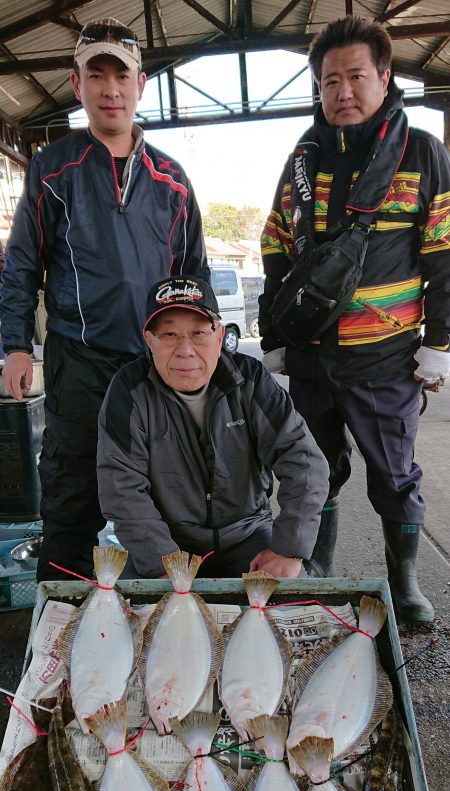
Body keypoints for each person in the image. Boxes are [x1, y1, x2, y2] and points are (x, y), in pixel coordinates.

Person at [0, 18, 208, 582]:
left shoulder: (172, 179)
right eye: (97, 75)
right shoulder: (52, 168)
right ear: (77, 84)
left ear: (141, 85)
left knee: (171, 493)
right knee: (70, 497)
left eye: (122, 75)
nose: (110, 89)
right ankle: (61, 621)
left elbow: (194, 277)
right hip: (79, 361)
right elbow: (22, 264)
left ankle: (170, 614)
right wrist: (16, 346)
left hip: (155, 366)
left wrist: (199, 354)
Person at [259, 15, 450, 622]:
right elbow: (274, 243)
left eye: (356, 76)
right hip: (312, 356)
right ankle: (319, 568)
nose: (342, 91)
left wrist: (439, 344)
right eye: (329, 81)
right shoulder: (303, 159)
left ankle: (404, 582)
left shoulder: (423, 152)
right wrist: (273, 336)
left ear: (385, 77)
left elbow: (445, 255)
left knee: (394, 474)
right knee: (314, 468)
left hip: (386, 358)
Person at [96, 274, 329, 579]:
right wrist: (163, 564)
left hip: (248, 534)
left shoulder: (251, 380)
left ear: (219, 337)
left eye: (198, 333)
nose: (185, 350)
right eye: (169, 335)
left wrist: (288, 548)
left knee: (295, 597)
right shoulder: (129, 391)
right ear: (149, 340)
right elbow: (122, 488)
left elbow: (304, 460)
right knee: (129, 607)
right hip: (166, 541)